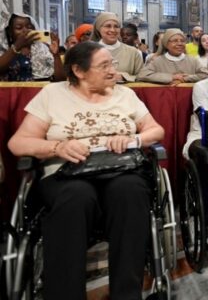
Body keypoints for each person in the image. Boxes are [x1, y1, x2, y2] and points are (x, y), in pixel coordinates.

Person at [8, 41, 165, 300]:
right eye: (104, 66)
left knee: (131, 191)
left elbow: (155, 129)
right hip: (66, 173)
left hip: (120, 168)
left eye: (112, 64)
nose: (113, 71)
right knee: (76, 197)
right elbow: (18, 143)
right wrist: (57, 146)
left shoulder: (124, 95)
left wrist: (133, 140)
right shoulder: (53, 94)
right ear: (79, 71)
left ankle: (127, 295)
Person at [0, 12, 65, 81]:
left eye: (29, 27)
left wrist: (56, 55)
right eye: (19, 28)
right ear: (10, 32)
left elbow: (61, 79)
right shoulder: (5, 50)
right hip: (11, 91)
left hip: (39, 90)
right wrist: (17, 46)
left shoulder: (42, 50)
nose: (25, 30)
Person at [137, 28, 208, 85]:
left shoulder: (193, 60)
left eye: (182, 41)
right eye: (175, 41)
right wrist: (171, 77)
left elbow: (207, 74)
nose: (179, 43)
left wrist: (186, 78)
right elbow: (141, 75)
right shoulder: (158, 61)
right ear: (166, 44)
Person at [92, 12, 143, 82]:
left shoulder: (133, 52)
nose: (112, 30)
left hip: (125, 92)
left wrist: (124, 77)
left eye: (116, 26)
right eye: (108, 26)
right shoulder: (89, 51)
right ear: (98, 29)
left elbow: (142, 76)